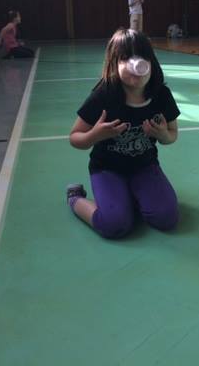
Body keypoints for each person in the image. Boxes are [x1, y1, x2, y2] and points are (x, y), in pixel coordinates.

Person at [66, 29, 180, 239]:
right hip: (107, 169)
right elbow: (75, 137)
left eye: (143, 57)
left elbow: (172, 135)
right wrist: (94, 135)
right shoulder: (103, 95)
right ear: (113, 64)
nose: (136, 64)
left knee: (167, 218)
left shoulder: (161, 95)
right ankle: (75, 198)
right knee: (114, 224)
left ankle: (131, 197)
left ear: (151, 62)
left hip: (144, 167)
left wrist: (163, 135)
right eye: (126, 58)